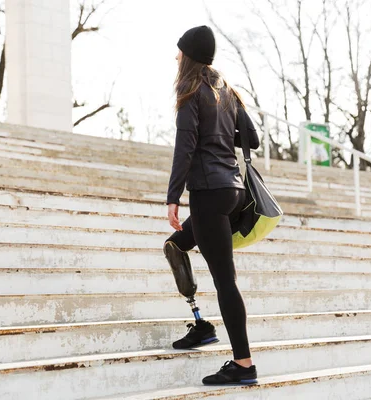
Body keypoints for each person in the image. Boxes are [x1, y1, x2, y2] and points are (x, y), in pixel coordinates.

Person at [164, 25, 260, 386]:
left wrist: (173, 197)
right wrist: (221, 133)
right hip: (233, 191)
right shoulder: (227, 91)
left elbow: (185, 148)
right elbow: (252, 138)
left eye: (179, 51)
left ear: (188, 56)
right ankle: (202, 326)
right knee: (175, 245)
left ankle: (244, 365)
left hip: (208, 194)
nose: (175, 57)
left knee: (225, 281)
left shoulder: (189, 91)